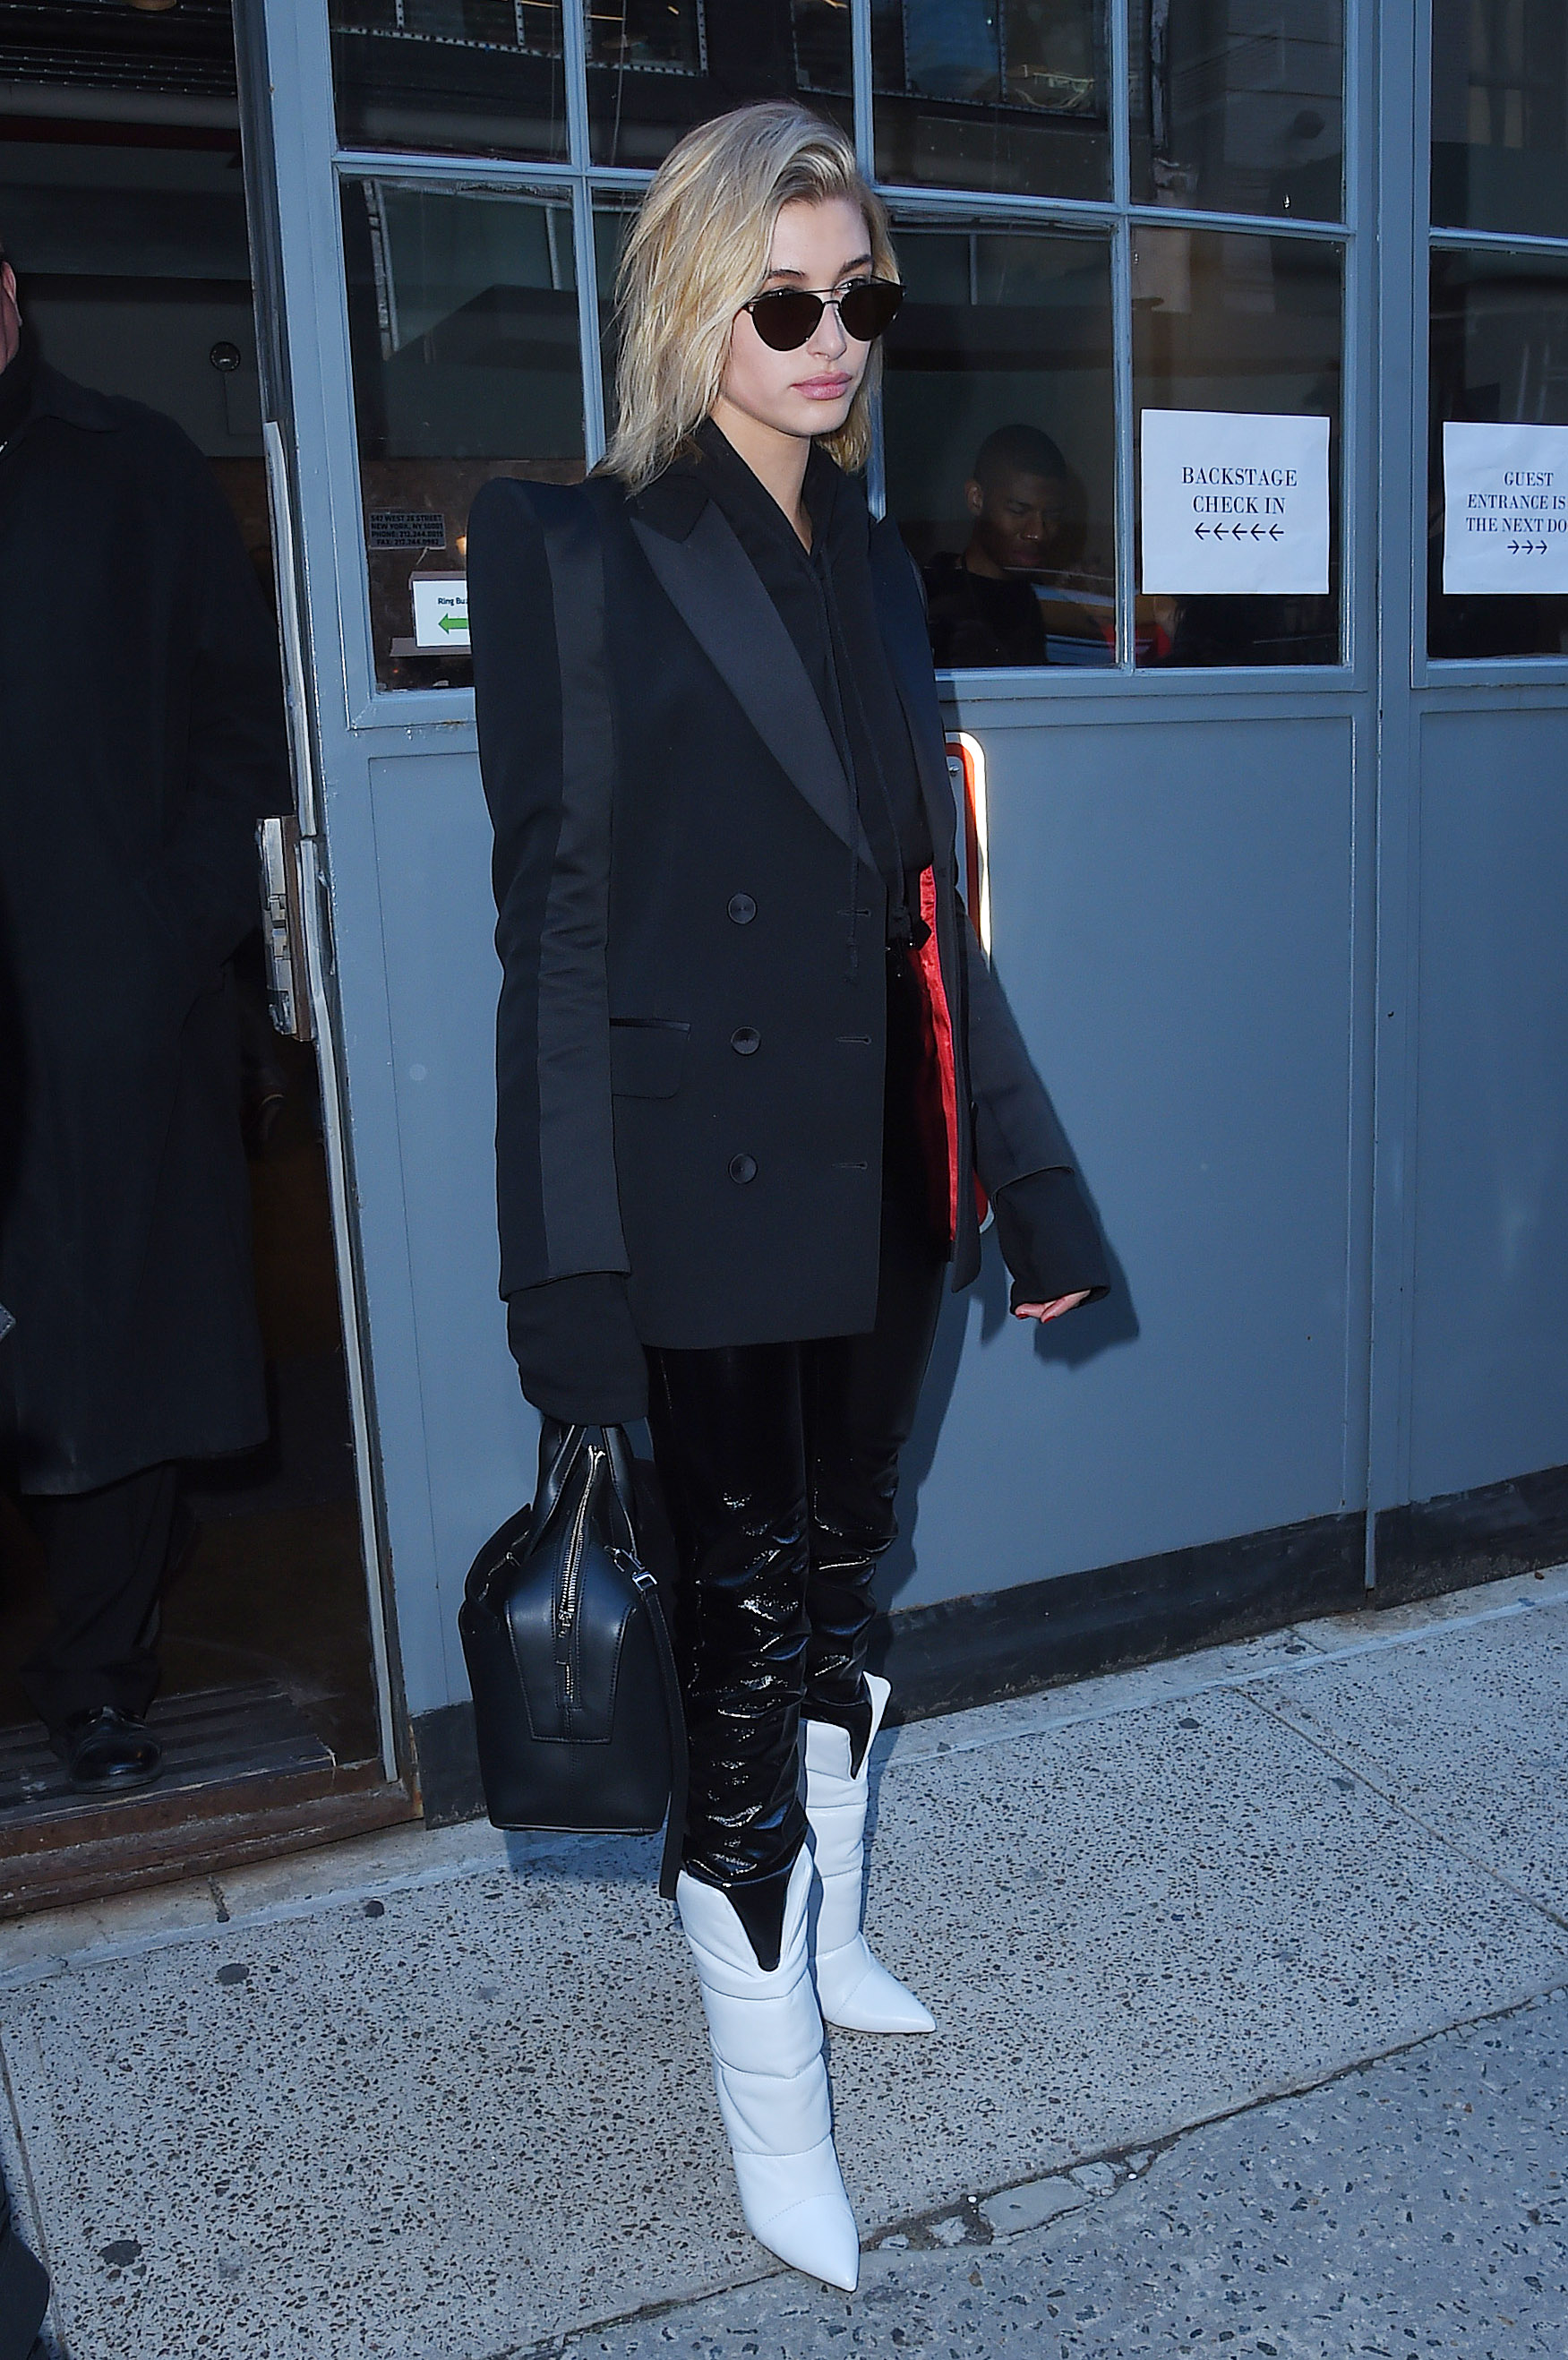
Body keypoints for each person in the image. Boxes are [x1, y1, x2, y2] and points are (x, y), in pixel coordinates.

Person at [468, 105, 1109, 2293]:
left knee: (848, 1574)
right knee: (739, 1637)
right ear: (692, 301)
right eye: (784, 299)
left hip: (889, 1183)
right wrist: (561, 1269)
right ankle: (771, 2117)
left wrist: (1026, 1183)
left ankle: (823, 1941)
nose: (831, 339)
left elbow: (932, 907)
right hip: (706, 1188)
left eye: (863, 298)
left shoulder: (878, 558)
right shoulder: (567, 543)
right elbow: (547, 937)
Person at [0, 235, 291, 1792]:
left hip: (107, 1003)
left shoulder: (140, 471)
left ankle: (100, 1683)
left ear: (12, 293)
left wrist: (164, 937)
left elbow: (247, 736)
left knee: (115, 1345)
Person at [922, 421, 1109, 667]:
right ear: (976, 499)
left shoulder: (1058, 610)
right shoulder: (925, 597)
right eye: (1018, 511)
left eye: (1052, 516)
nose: (1037, 533)